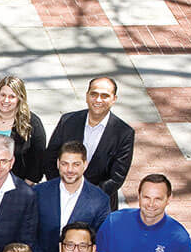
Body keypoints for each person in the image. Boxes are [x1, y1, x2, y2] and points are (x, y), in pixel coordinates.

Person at [44, 77, 135, 208]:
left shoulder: (124, 133)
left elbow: (116, 177)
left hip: (98, 203)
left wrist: (84, 197)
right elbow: (50, 159)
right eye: (94, 94)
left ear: (114, 99)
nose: (98, 100)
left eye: (105, 96)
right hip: (61, 198)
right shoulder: (68, 121)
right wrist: (62, 189)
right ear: (87, 95)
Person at [33, 141, 110, 252]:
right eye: (65, 164)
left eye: (76, 164)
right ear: (58, 164)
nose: (70, 170)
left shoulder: (100, 200)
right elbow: (28, 234)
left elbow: (98, 241)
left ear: (85, 165)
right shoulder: (38, 193)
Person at [0, 76, 45, 184]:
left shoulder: (32, 124)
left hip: (14, 186)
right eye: (3, 95)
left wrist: (23, 188)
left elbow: (38, 160)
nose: (6, 100)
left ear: (19, 99)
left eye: (12, 96)